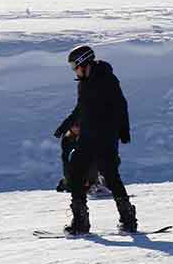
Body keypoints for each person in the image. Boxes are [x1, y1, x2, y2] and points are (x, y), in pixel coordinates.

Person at [54, 45, 136, 234]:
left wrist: (124, 131)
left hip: (106, 136)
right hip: (88, 136)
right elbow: (80, 108)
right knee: (75, 172)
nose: (74, 70)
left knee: (110, 175)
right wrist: (65, 126)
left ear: (84, 62)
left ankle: (128, 218)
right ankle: (80, 221)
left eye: (75, 66)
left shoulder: (107, 79)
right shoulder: (83, 83)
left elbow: (121, 105)